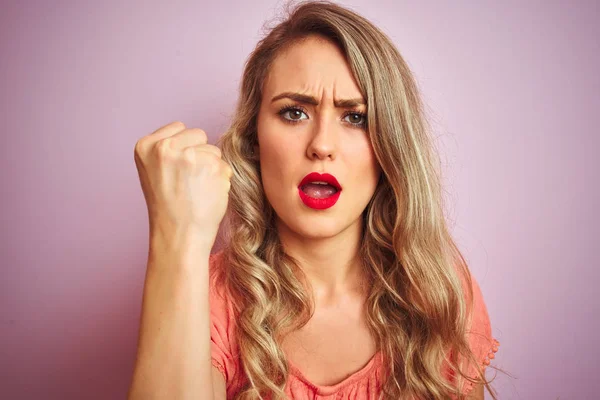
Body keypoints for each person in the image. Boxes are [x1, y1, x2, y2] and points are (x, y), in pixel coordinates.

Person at [128, 1, 501, 399]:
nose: (322, 145)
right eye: (293, 113)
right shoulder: (205, 297)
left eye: (355, 117)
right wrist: (176, 234)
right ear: (254, 139)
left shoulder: (441, 293)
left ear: (390, 146)